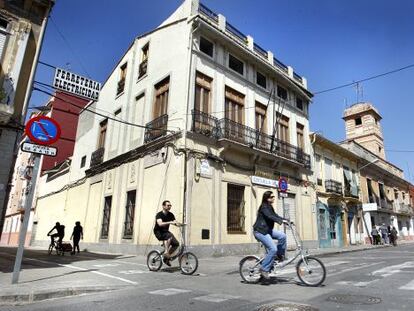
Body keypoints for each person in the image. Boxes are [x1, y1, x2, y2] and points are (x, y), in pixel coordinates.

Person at [253, 191, 290, 280]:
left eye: (273, 196)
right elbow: (270, 216)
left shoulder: (270, 206)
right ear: (267, 198)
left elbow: (275, 215)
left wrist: (286, 220)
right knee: (273, 249)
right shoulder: (264, 207)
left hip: (267, 230)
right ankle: (264, 269)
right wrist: (281, 222)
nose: (274, 198)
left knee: (282, 236)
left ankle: (279, 255)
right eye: (272, 197)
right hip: (260, 231)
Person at [153, 200, 180, 267]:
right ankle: (166, 252)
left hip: (165, 232)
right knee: (168, 236)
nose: (169, 207)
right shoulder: (159, 214)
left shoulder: (171, 214)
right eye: (168, 205)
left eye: (170, 205)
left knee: (176, 244)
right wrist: (170, 222)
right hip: (158, 232)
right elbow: (160, 224)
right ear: (163, 206)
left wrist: (180, 224)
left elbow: (175, 222)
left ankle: (166, 258)